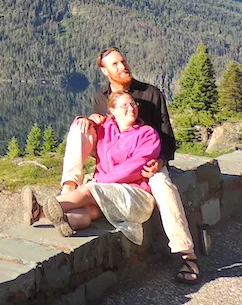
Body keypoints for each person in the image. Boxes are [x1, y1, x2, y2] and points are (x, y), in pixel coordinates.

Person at [39, 47, 200, 283]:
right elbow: (104, 129)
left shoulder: (150, 93)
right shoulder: (101, 97)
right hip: (114, 152)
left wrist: (160, 161)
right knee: (79, 128)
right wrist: (89, 121)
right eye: (115, 64)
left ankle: (187, 255)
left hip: (148, 159)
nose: (122, 67)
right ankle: (68, 190)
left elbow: (166, 136)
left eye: (123, 62)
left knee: (164, 188)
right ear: (105, 71)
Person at [28, 91, 160, 245]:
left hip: (135, 196)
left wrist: (99, 181)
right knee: (90, 211)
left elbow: (133, 168)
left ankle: (41, 211)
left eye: (133, 104)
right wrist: (84, 119)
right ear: (112, 111)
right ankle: (68, 222)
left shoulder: (148, 134)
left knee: (88, 191)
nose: (131, 108)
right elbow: (80, 131)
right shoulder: (105, 127)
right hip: (108, 196)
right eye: (124, 105)